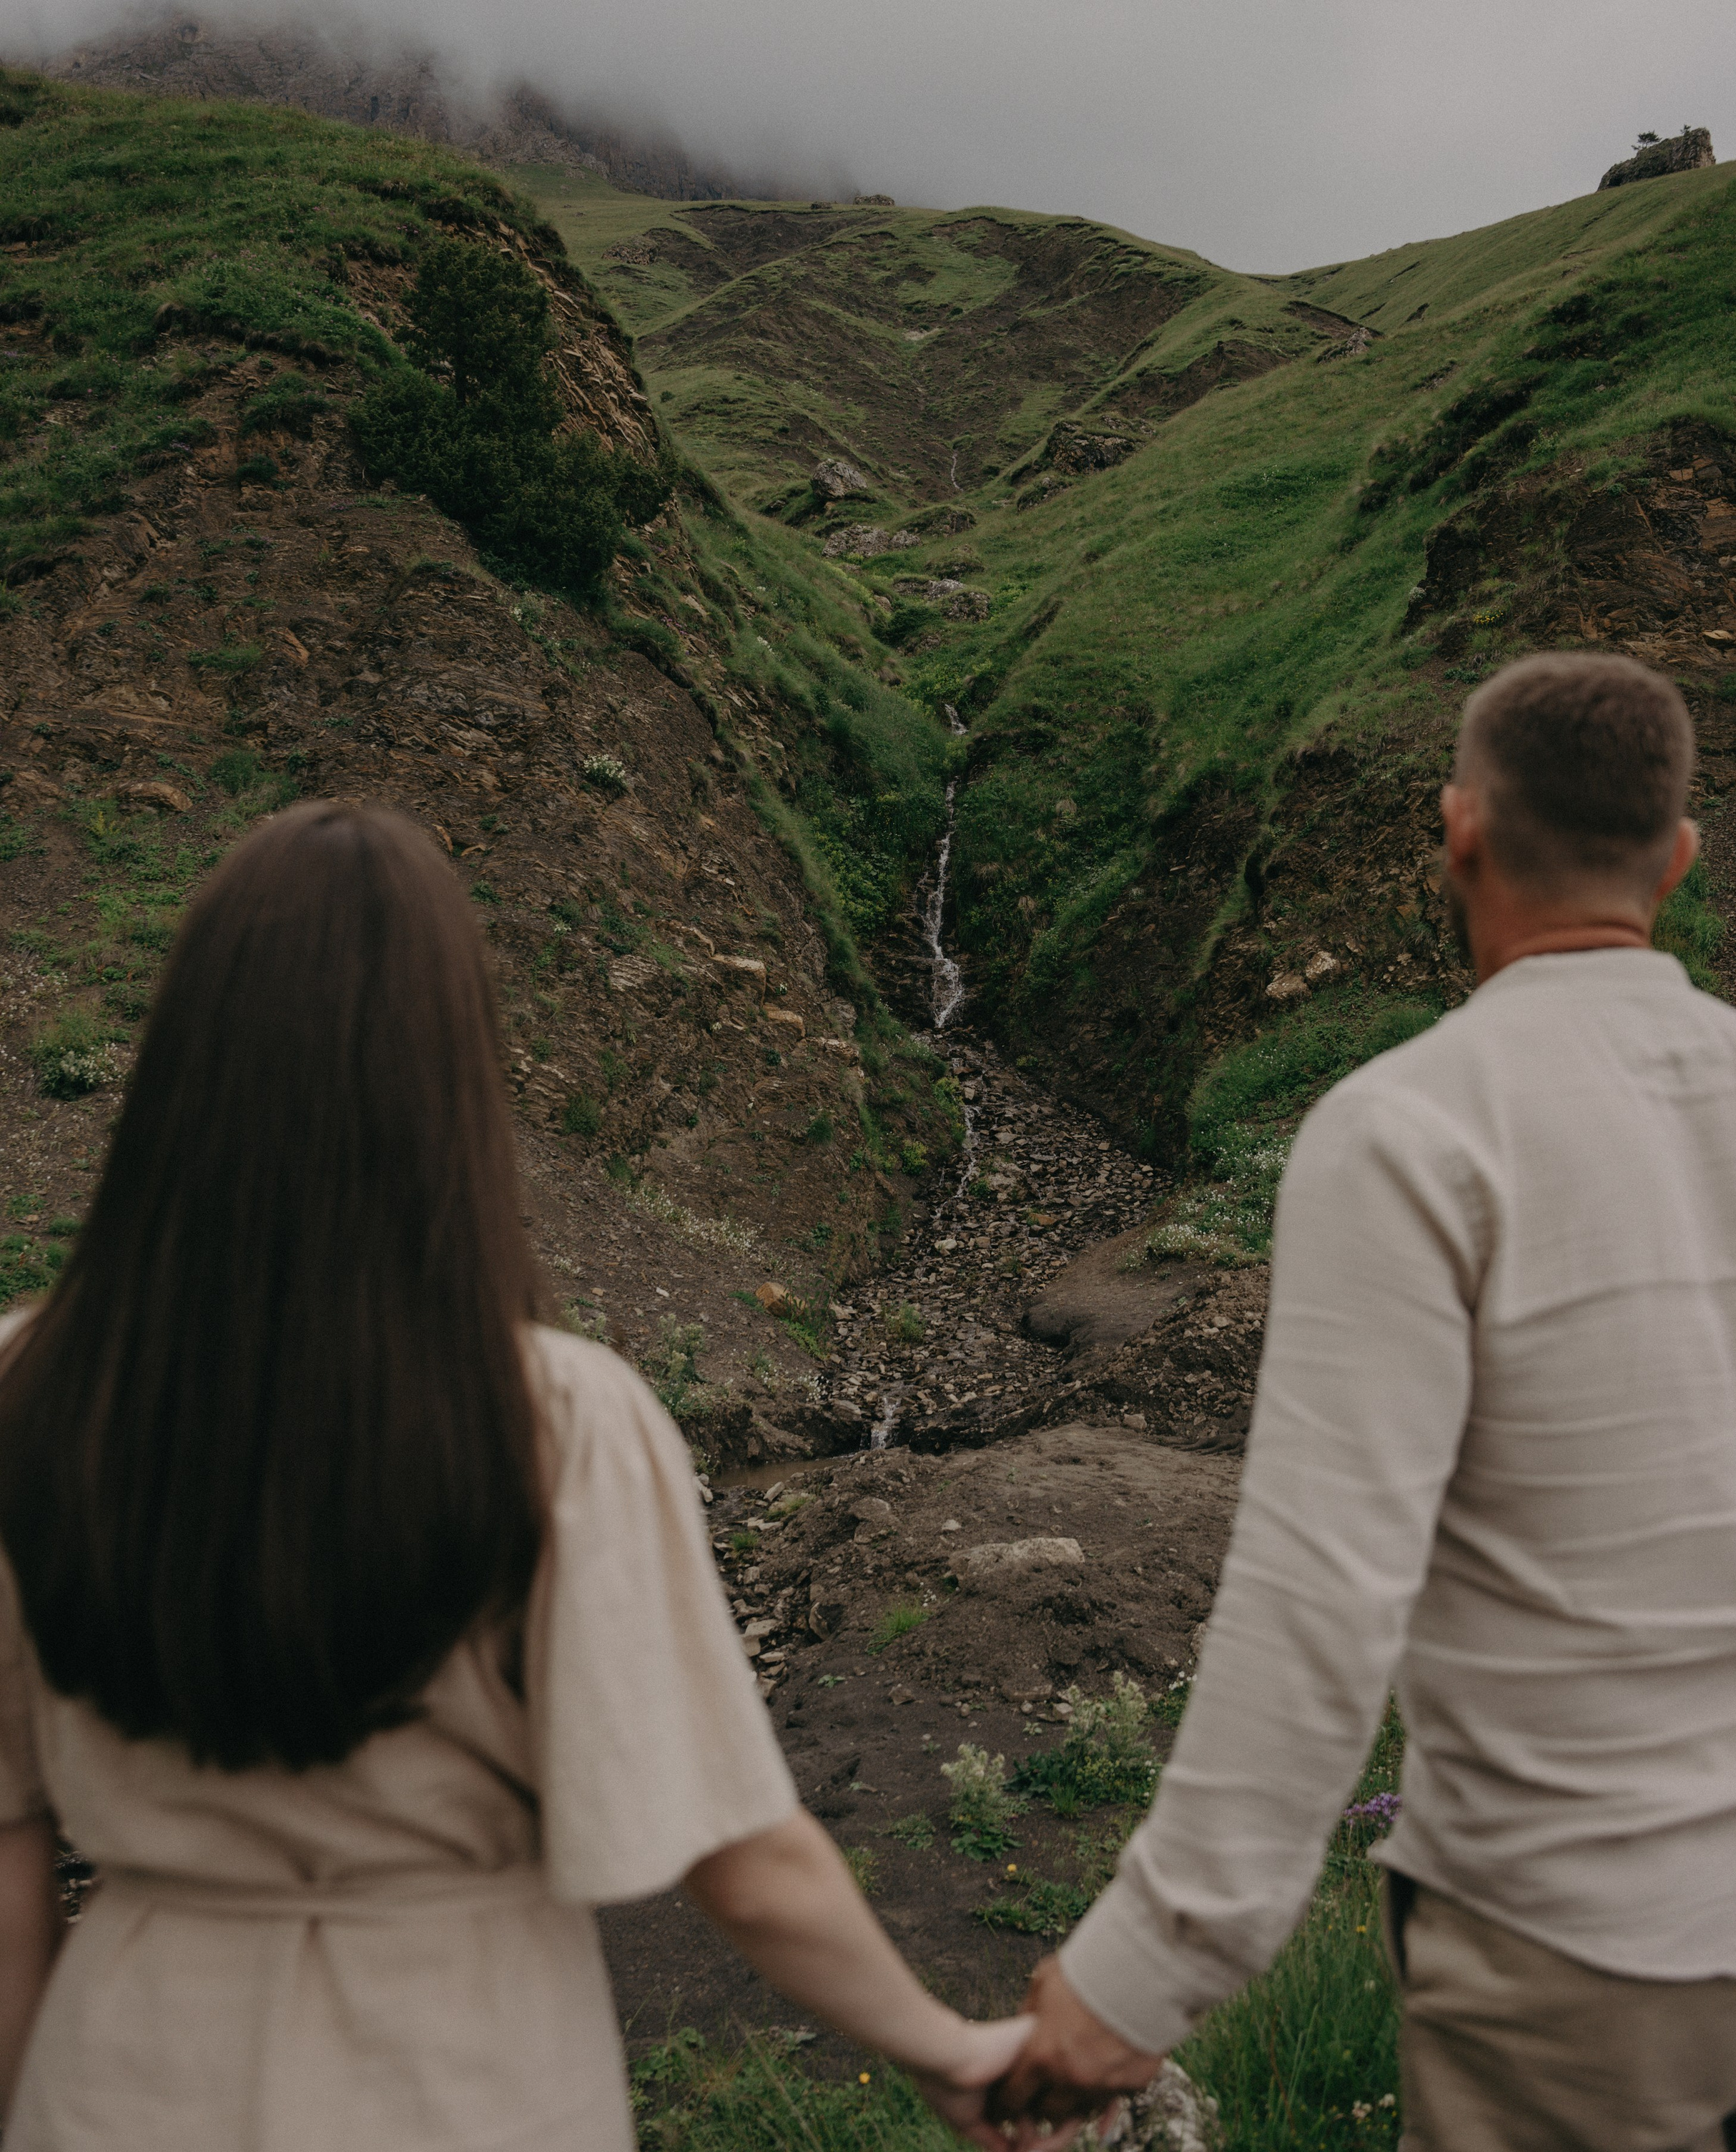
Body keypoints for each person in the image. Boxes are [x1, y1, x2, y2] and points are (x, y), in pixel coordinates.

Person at [0, 802, 1062, 2152]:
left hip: (127, 2077)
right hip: (462, 2074)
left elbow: (8, 1849)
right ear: (453, 1076)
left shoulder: (32, 1389)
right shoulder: (555, 1415)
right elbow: (739, 1853)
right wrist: (949, 2047)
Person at [1000, 652, 1736, 2150]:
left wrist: (1138, 1974)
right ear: (1678, 855)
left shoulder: (1405, 1133)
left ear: (1456, 832)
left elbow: (1320, 1596)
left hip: (1579, 1942)